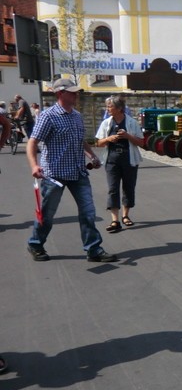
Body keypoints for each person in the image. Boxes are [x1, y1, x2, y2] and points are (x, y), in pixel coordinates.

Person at [26, 78, 118, 263]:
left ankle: (93, 249)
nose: (76, 94)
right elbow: (32, 141)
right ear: (60, 93)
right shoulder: (48, 116)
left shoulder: (76, 115)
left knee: (88, 212)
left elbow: (79, 140)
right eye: (72, 92)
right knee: (47, 214)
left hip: (78, 173)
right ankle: (35, 244)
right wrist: (34, 165)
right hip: (54, 175)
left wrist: (91, 155)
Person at [95, 95, 146, 232]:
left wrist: (127, 136)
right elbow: (98, 143)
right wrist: (109, 139)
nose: (107, 109)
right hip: (112, 160)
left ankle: (125, 216)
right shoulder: (106, 123)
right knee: (113, 188)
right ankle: (114, 220)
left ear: (119, 108)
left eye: (110, 106)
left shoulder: (131, 123)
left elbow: (141, 142)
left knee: (128, 187)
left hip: (129, 159)